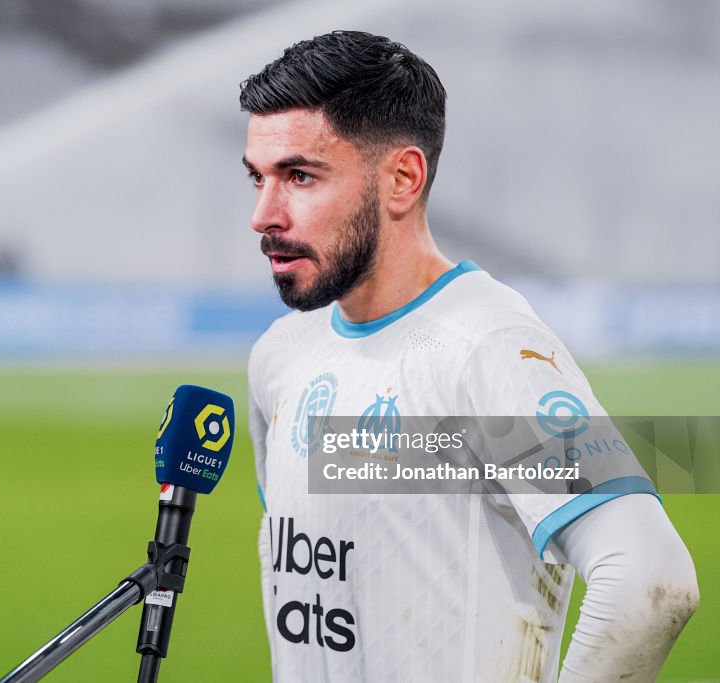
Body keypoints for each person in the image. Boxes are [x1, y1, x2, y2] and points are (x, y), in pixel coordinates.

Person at [242, 31, 697, 682]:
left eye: (300, 176)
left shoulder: (489, 348)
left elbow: (652, 579)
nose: (263, 213)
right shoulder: (278, 358)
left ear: (402, 179)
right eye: (257, 178)